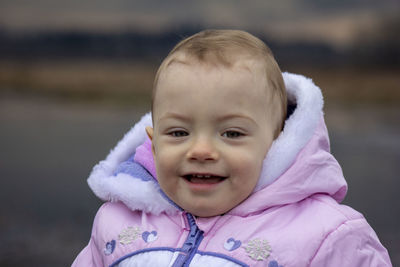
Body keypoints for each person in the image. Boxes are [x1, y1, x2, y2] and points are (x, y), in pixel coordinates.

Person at [72, 30, 392, 266]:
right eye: (179, 132)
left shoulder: (326, 235)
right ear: (153, 144)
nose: (201, 150)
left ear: (276, 143)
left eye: (232, 134)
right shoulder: (117, 221)